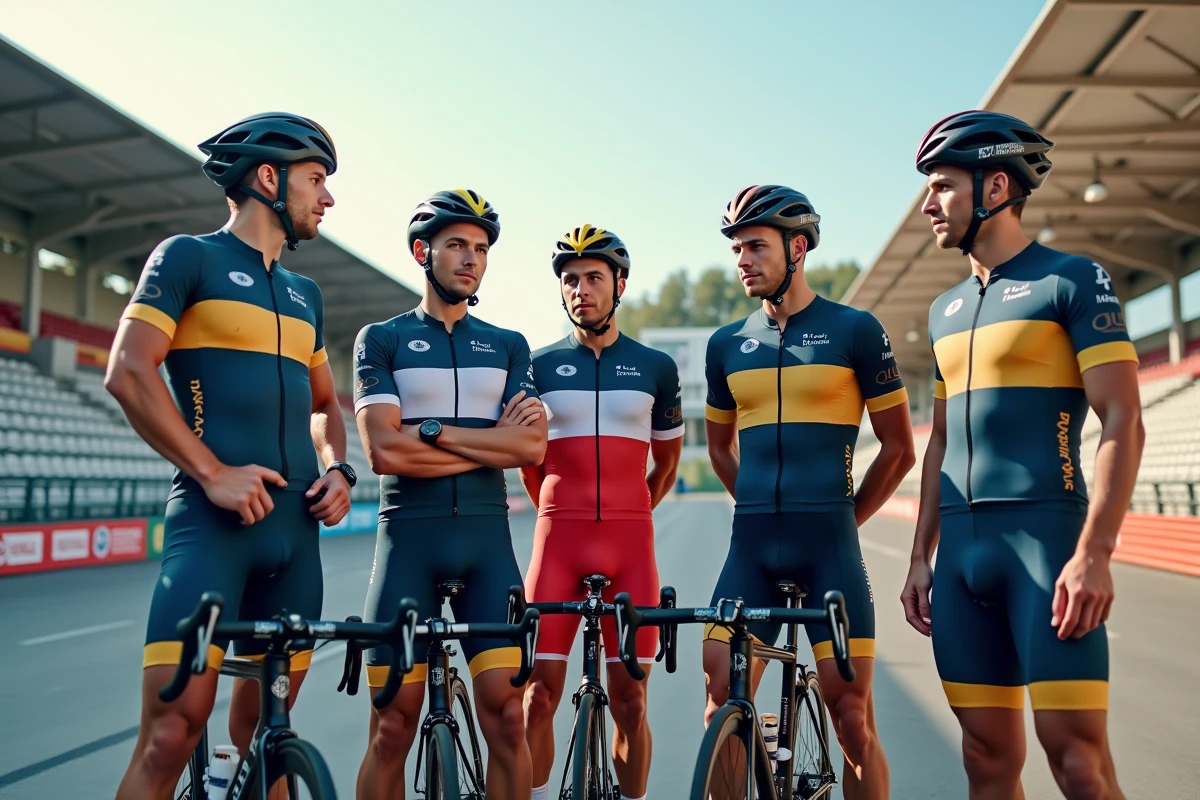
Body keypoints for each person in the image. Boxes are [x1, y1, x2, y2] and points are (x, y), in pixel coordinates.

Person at [108, 112, 354, 800]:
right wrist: (212, 472)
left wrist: (337, 466)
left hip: (295, 544)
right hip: (212, 533)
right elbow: (128, 370)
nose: (327, 198)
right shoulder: (189, 258)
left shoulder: (306, 295)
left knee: (269, 743)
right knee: (168, 737)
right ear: (268, 179)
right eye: (316, 180)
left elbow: (325, 405)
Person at [901, 110, 1143, 799]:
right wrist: (921, 556)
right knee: (984, 759)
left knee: (1078, 764)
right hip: (961, 562)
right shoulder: (944, 309)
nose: (927, 205)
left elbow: (1123, 417)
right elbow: (941, 440)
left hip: (1046, 548)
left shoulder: (1070, 281)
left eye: (942, 186)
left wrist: (1094, 552)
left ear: (996, 187)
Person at [703, 185, 915, 800]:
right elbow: (721, 448)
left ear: (797, 248)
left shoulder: (855, 330)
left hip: (830, 552)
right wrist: (756, 506)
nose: (743, 259)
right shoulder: (725, 345)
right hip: (751, 551)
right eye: (737, 248)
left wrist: (844, 519)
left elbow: (899, 448)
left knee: (853, 720)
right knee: (719, 696)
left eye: (755, 246)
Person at [353, 189, 547, 800]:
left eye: (481, 248)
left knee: (508, 719)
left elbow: (530, 450)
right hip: (408, 542)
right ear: (422, 251)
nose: (471, 258)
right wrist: (488, 439)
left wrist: (431, 430)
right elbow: (385, 452)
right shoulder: (379, 340)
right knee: (391, 726)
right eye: (456, 245)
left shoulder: (510, 344)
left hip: (487, 548)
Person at [520, 225, 685, 800]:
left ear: (620, 285)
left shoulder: (655, 366)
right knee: (538, 694)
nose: (580, 290)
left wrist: (630, 511)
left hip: (629, 546)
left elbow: (665, 466)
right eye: (570, 281)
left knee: (631, 700)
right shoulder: (535, 364)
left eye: (593, 278)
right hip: (557, 542)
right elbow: (529, 461)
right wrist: (559, 507)